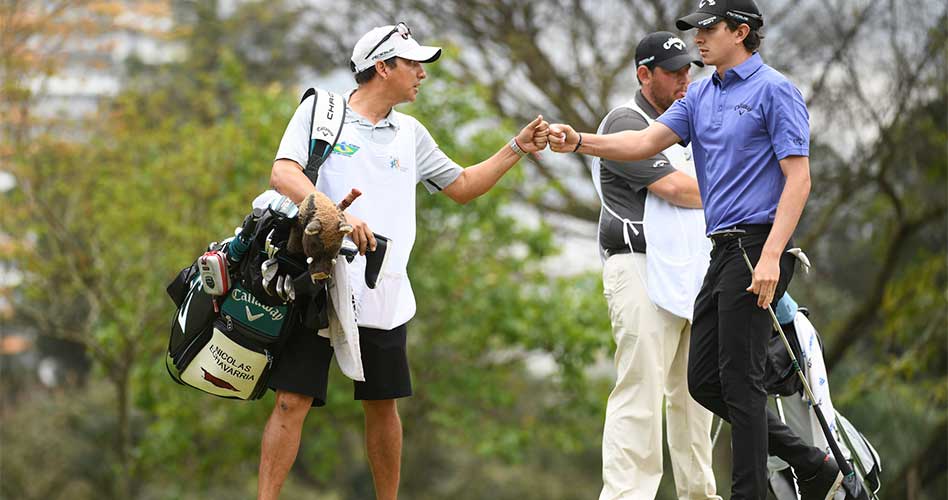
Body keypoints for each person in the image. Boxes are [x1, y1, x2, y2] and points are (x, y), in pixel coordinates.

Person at [549, 1, 845, 499]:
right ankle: (811, 462)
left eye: (709, 28)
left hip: (760, 245)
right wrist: (578, 140)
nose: (699, 38)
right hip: (722, 251)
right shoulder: (703, 94)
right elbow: (643, 143)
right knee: (705, 381)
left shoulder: (775, 90)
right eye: (697, 29)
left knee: (741, 380)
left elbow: (799, 179)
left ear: (741, 32)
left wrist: (771, 256)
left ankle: (751, 492)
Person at [259, 22, 549, 500]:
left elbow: (462, 186)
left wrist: (515, 147)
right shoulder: (321, 112)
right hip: (318, 278)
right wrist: (337, 216)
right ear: (382, 67)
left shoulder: (411, 133)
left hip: (382, 287)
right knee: (293, 399)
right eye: (413, 63)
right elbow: (283, 173)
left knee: (382, 403)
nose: (422, 73)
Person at [591, 32, 719, 500]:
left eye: (688, 70)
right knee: (640, 392)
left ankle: (699, 494)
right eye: (673, 72)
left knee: (697, 397)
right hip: (639, 268)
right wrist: (742, 192)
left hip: (692, 272)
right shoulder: (625, 122)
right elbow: (679, 190)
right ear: (644, 74)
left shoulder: (691, 122)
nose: (685, 80)